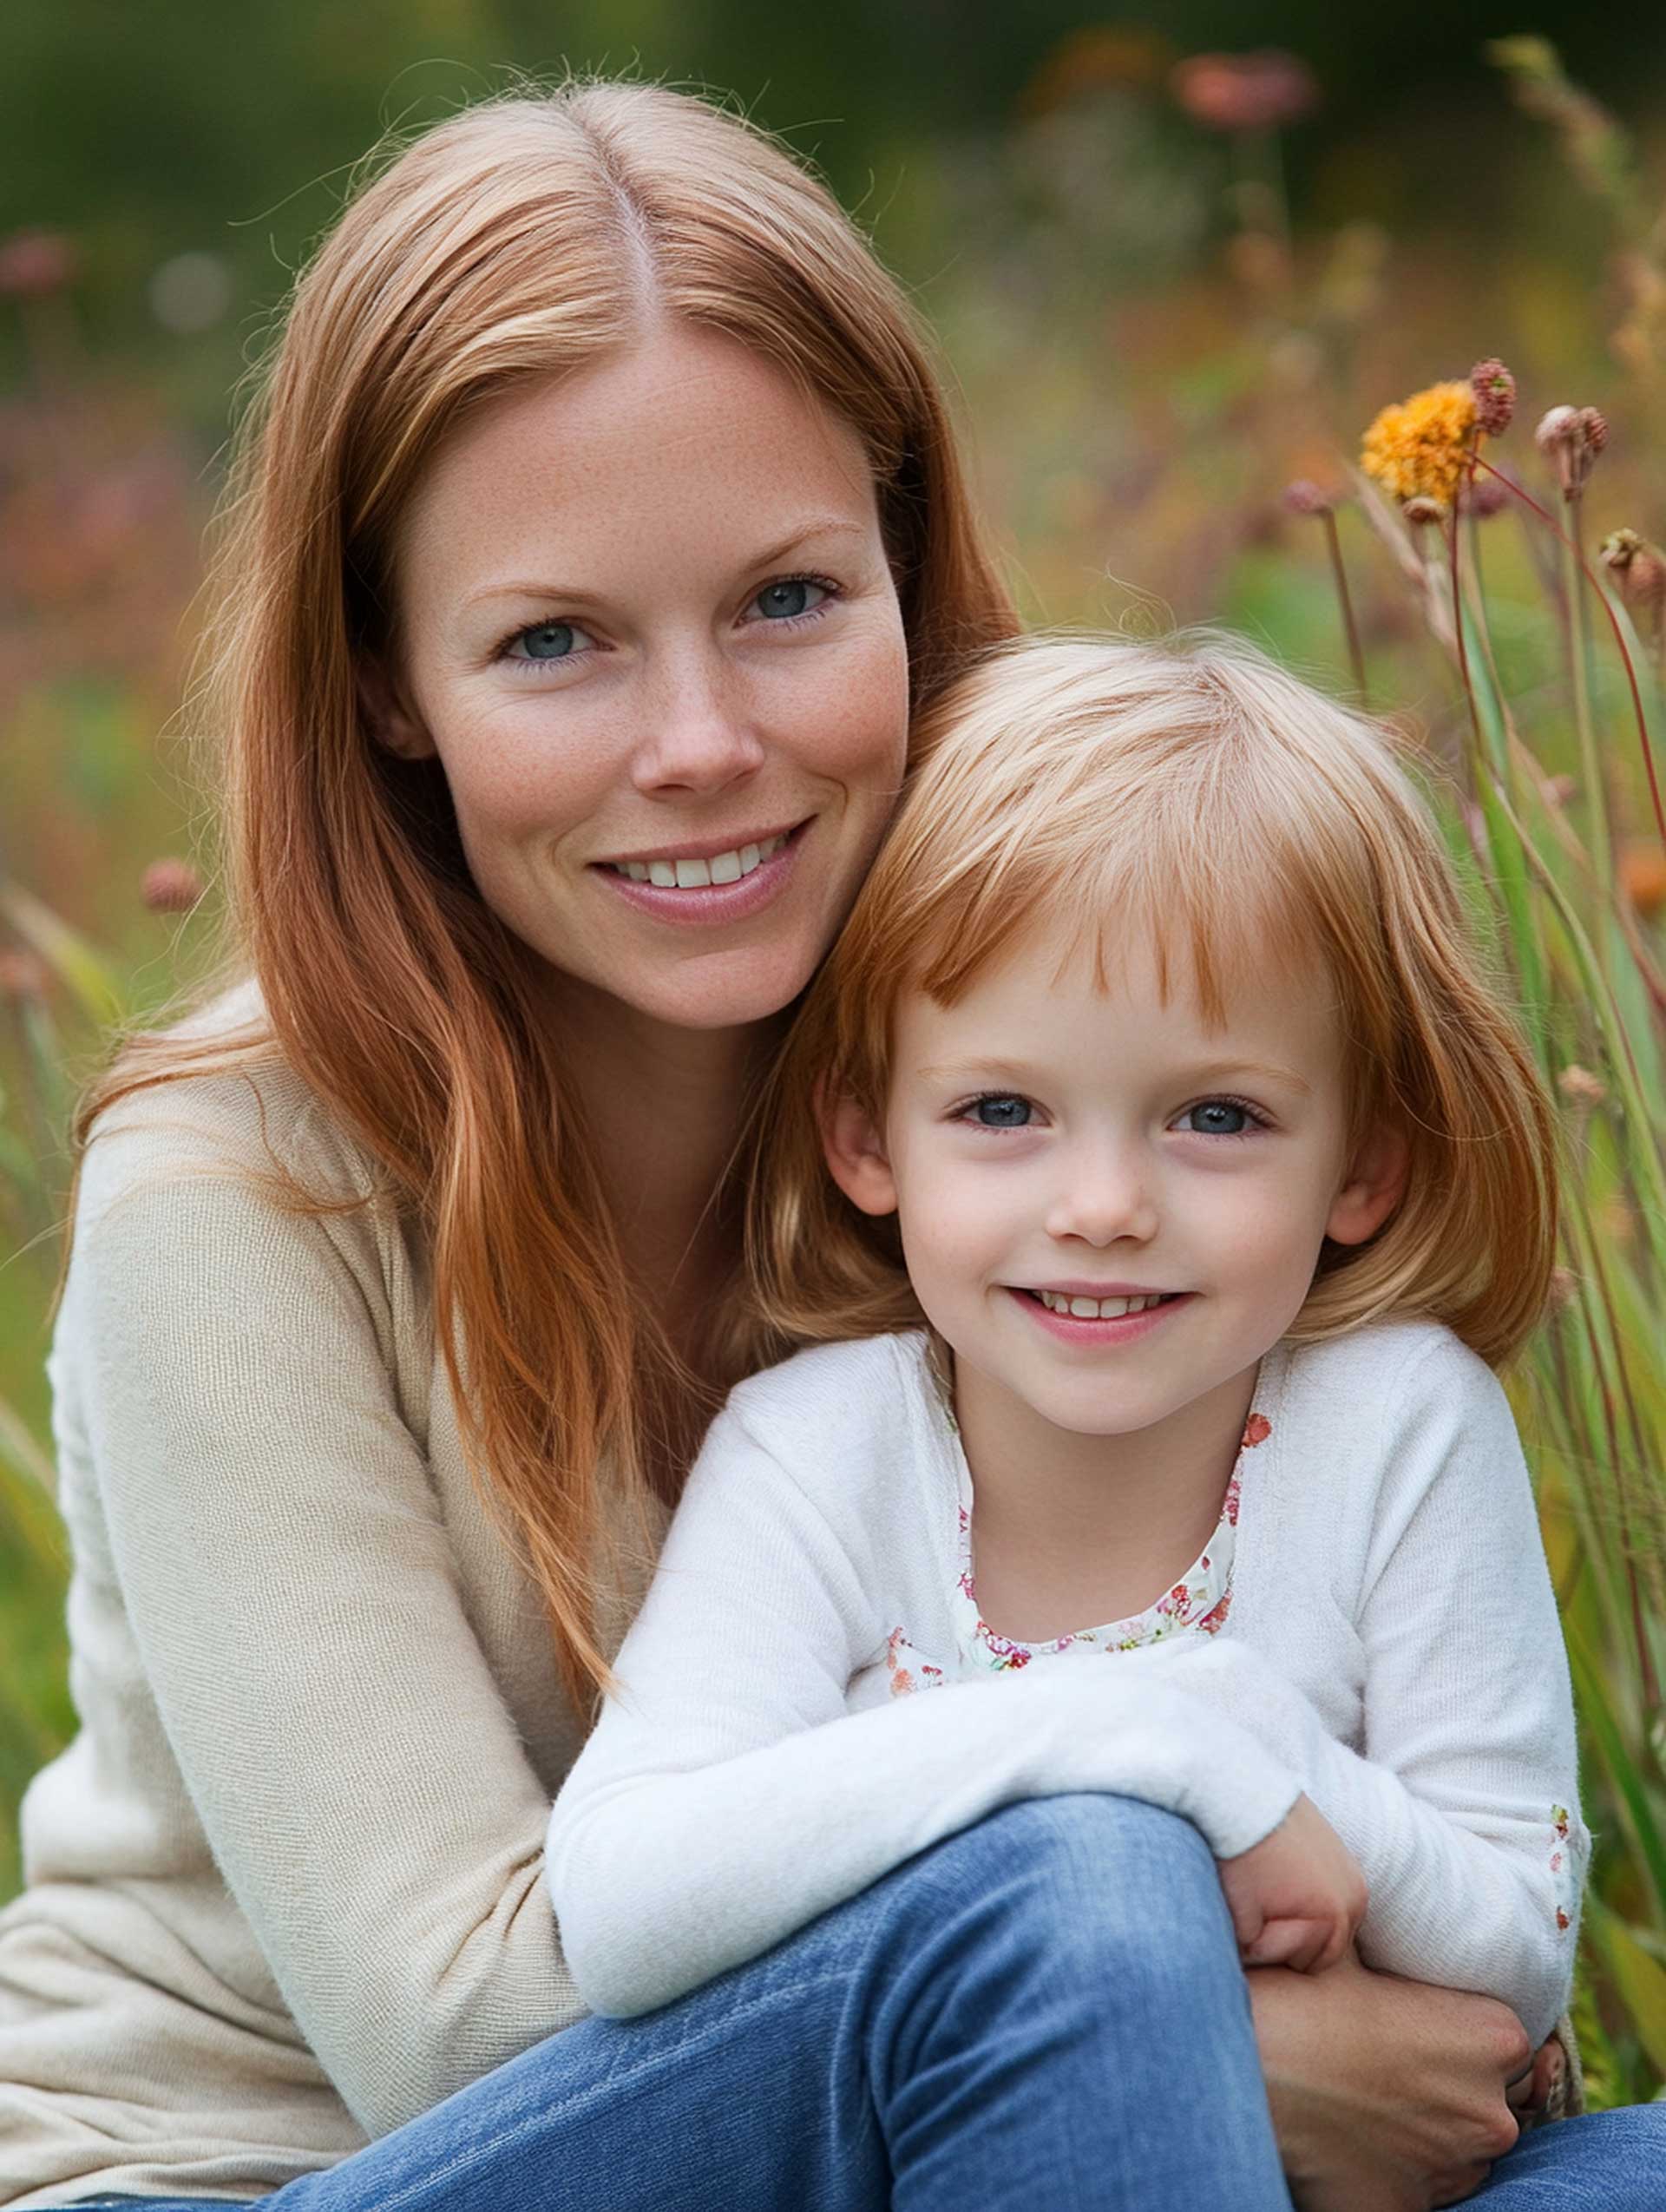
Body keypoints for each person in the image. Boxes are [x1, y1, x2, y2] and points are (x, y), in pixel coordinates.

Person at [0, 75, 1657, 2212]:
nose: (703, 747)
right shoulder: (232, 1197)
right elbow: (455, 2031)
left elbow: (1475, 1993)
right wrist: (1184, 1916)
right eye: (553, 642)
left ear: (904, 569)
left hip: (972, 2093)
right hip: (277, 2179)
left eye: (787, 600)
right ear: (388, 682)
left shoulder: (1028, 1049)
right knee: (1070, 1903)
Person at [544, 632, 1587, 2060]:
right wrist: (1140, 1733)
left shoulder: (1398, 1424)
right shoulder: (822, 1448)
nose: (1102, 1208)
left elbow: (1521, 1950)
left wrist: (1260, 1747)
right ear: (866, 1135)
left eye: (1216, 1117)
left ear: (1366, 1162)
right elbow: (623, 1901)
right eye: (1001, 1111)